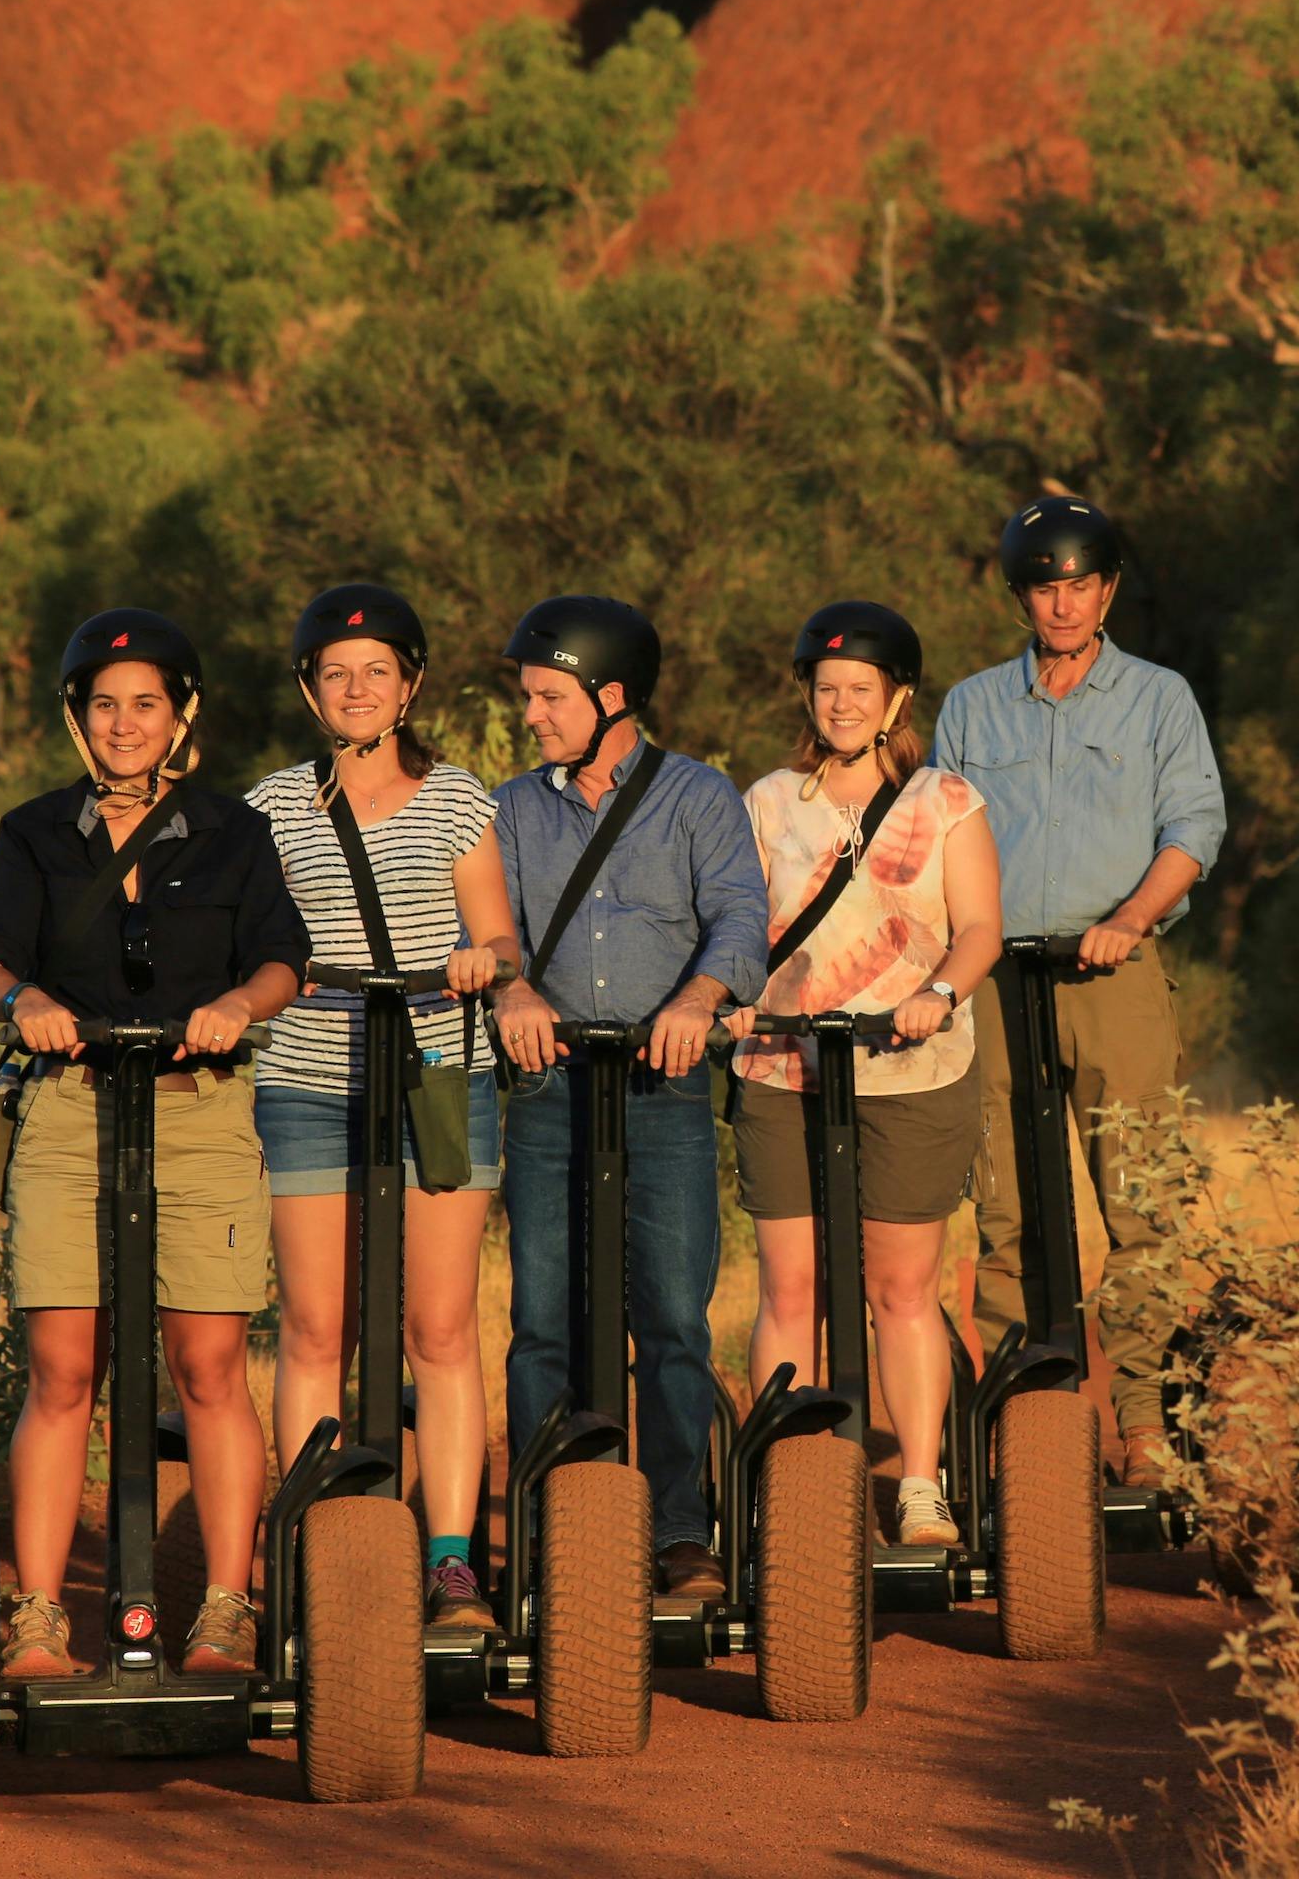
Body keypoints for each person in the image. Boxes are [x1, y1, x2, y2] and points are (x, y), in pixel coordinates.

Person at [0, 608, 306, 1680]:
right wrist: (22, 1001)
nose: (124, 722)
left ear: (180, 714)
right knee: (64, 1368)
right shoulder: (33, 831)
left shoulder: (234, 831)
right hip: (71, 1108)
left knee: (209, 1365)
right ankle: (36, 1615)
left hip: (198, 1110)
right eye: (104, 703)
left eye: (144, 703)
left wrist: (238, 1006)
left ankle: (226, 1611)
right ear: (77, 716)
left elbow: (283, 959)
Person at [929, 497, 1226, 1488]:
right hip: (994, 981)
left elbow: (1195, 828)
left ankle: (1144, 1423)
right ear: (1022, 597)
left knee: (1141, 1206)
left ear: (1108, 591)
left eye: (1081, 585)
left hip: (1114, 976)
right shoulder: (973, 705)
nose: (1063, 604)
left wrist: (1130, 918)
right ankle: (1030, 1427)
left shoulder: (1158, 698)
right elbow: (934, 837)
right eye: (1045, 587)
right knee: (1007, 1210)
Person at [245, 583, 516, 1632]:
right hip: (310, 1077)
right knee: (316, 1325)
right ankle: (316, 1549)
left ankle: (451, 1562)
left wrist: (480, 959)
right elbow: (250, 940)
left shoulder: (456, 800)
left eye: (376, 672)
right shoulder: (273, 806)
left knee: (438, 1326)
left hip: (438, 1075)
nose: (357, 689)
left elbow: (499, 935)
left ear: (410, 686)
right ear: (310, 689)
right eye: (336, 672)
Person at [490, 595, 769, 1601]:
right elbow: (489, 926)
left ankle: (681, 1528)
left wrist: (698, 999)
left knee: (674, 1318)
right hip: (552, 1084)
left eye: (549, 697)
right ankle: (547, 1529)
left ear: (611, 696)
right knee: (543, 1321)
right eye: (529, 697)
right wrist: (511, 988)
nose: (532, 715)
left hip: (662, 1084)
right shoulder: (513, 808)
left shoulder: (697, 795)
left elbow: (740, 914)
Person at [723, 602, 1001, 1551]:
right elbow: (736, 924)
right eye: (827, 687)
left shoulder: (946, 800)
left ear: (897, 700)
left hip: (912, 1067)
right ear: (808, 695)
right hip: (782, 1064)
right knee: (790, 1285)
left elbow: (980, 929)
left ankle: (919, 1484)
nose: (842, 704)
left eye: (861, 689)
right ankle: (790, 1486)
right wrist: (730, 996)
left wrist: (940, 992)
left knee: (901, 1286)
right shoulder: (768, 801)